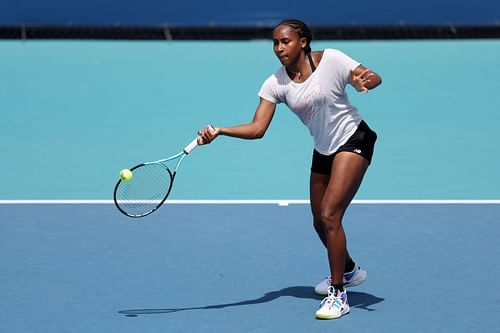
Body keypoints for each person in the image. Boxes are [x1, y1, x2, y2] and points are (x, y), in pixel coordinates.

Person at [197, 18, 382, 320]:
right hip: (324, 148)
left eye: (286, 41)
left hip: (354, 138)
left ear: (303, 42)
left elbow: (371, 76)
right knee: (318, 222)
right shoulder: (275, 83)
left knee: (330, 215)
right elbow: (258, 128)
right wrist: (219, 131)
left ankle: (339, 295)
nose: (279, 48)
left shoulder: (332, 59)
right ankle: (348, 270)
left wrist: (366, 82)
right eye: (275, 43)